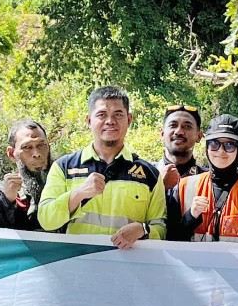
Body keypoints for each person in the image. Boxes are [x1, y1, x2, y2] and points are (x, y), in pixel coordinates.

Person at [38, 85, 167, 245]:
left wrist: (143, 230)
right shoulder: (64, 167)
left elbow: (161, 229)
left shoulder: (150, 174)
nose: (110, 121)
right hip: (79, 259)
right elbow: (46, 220)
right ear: (88, 120)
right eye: (102, 114)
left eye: (118, 114)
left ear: (129, 119)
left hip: (130, 260)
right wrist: (78, 193)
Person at [172, 116, 238, 244]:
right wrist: (190, 216)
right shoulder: (183, 187)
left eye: (229, 145)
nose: (221, 151)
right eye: (214, 144)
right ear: (207, 147)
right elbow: (168, 239)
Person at [0, 119, 53, 231]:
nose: (36, 154)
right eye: (27, 147)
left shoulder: (63, 186)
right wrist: (7, 201)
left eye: (41, 145)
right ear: (11, 154)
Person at [159, 105, 204, 193]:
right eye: (173, 125)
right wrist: (159, 185)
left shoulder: (208, 181)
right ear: (162, 134)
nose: (179, 132)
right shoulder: (144, 174)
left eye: (187, 126)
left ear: (199, 136)